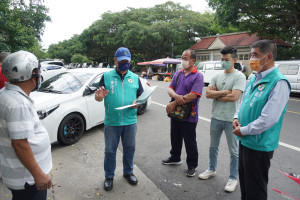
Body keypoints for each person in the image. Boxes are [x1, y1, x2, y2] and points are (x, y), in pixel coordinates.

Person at [232, 40, 291, 200]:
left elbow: (268, 119)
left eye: (255, 55)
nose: (251, 59)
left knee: (255, 189)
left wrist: (243, 130)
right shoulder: (254, 77)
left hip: (259, 144)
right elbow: (244, 101)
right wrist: (236, 117)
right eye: (251, 55)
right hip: (244, 140)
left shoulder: (279, 82)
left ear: (268, 56)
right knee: (245, 183)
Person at [0, 51, 52, 200]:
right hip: (28, 179)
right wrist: (39, 175)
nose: (40, 74)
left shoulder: (6, 93)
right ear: (31, 73)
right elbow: (19, 144)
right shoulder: (18, 104)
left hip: (22, 175)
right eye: (38, 70)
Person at [94, 47, 144, 191]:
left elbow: (141, 96)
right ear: (115, 60)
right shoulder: (107, 76)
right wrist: (99, 96)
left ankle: (128, 173)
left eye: (127, 61)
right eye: (121, 61)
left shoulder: (134, 78)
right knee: (110, 150)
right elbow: (97, 97)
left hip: (130, 121)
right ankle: (109, 176)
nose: (125, 64)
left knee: (130, 148)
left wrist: (138, 103)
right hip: (112, 121)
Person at [198, 46, 246, 192]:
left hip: (231, 119)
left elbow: (234, 97)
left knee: (233, 151)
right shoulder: (217, 76)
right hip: (216, 117)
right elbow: (207, 94)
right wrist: (225, 91)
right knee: (213, 146)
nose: (223, 62)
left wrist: (217, 93)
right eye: (222, 59)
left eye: (227, 60)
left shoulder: (239, 76)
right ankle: (211, 169)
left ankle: (233, 178)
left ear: (235, 60)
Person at [163, 49, 204, 177]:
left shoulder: (198, 76)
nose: (183, 60)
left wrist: (174, 102)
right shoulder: (178, 73)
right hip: (176, 113)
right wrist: (176, 96)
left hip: (189, 114)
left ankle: (192, 165)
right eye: (182, 57)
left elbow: (193, 95)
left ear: (193, 60)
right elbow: (170, 88)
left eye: (185, 58)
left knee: (189, 140)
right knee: (175, 136)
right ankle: (175, 157)